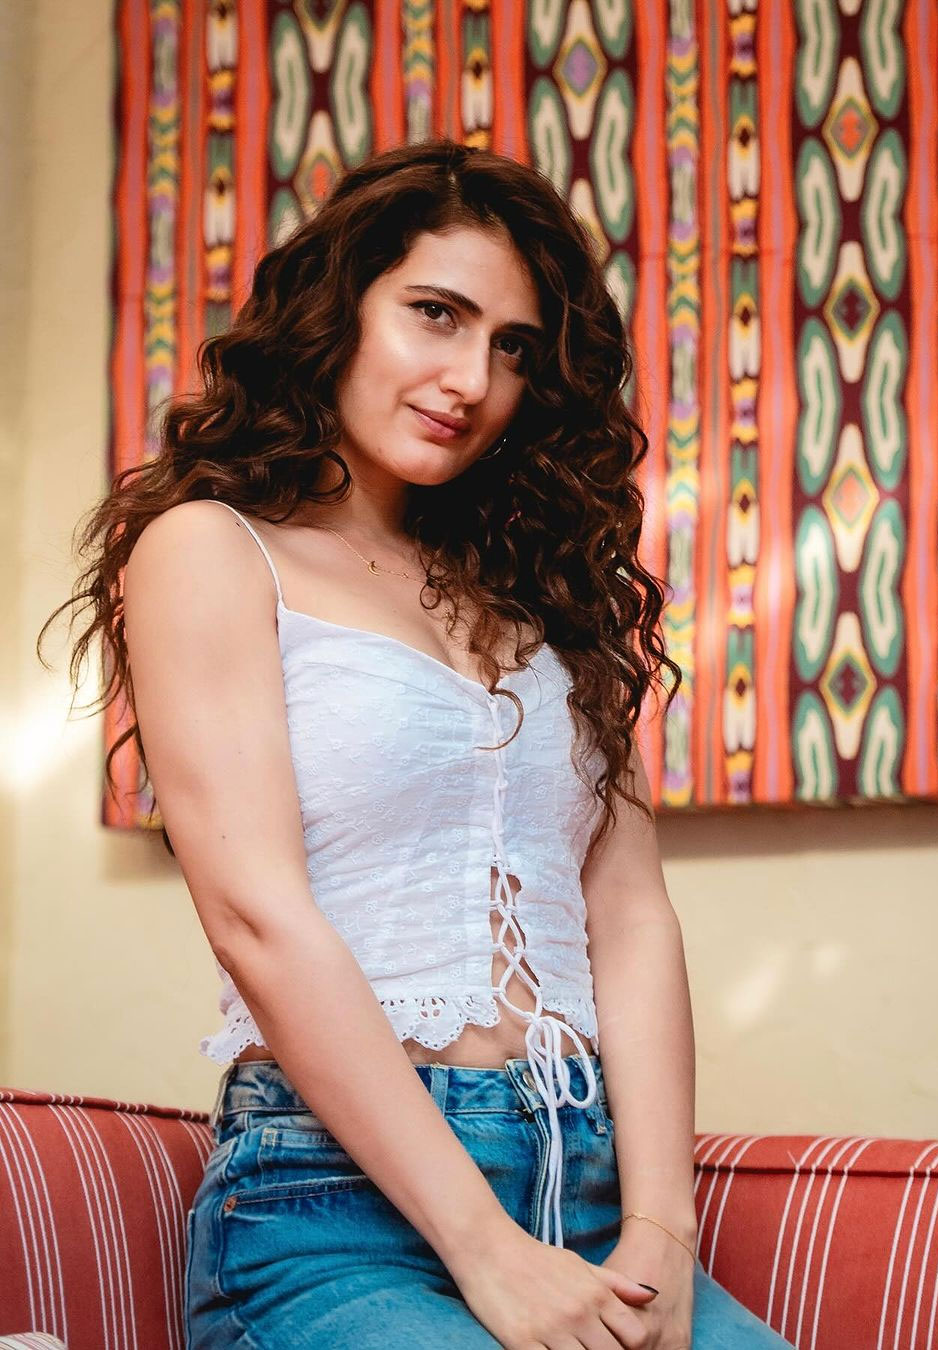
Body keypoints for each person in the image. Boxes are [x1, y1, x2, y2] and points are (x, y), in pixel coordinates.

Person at [42, 140, 792, 1349]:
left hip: (588, 1186)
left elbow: (631, 915)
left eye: (514, 348)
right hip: (334, 1215)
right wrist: (486, 1251)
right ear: (339, 310)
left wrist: (662, 1229)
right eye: (435, 314)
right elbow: (258, 919)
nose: (472, 379)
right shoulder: (213, 550)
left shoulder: (544, 597)